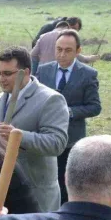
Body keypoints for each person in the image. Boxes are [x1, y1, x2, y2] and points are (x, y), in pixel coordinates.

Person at [0, 47, 69, 213]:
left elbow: (57, 143)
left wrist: (18, 137)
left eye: (7, 74)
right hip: (4, 192)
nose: (1, 79)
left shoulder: (50, 99)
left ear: (25, 72)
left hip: (36, 193)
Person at [36, 30, 101, 204]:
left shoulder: (88, 74)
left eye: (68, 50)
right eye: (58, 49)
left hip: (71, 139)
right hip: (46, 136)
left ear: (78, 51)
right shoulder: (43, 70)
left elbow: (95, 107)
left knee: (65, 181)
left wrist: (69, 112)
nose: (62, 54)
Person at [31, 21, 100, 73]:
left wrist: (37, 67)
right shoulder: (66, 38)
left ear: (56, 27)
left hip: (43, 73)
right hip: (61, 70)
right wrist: (89, 58)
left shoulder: (43, 36)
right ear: (67, 28)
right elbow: (75, 55)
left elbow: (33, 54)